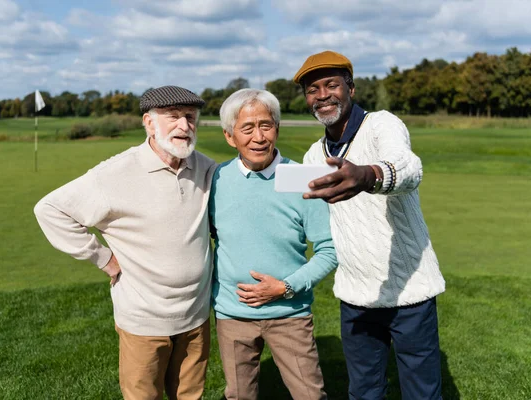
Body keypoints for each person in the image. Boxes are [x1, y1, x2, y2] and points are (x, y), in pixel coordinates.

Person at [34, 86, 216, 400]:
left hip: (196, 315)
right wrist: (102, 257)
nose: (184, 126)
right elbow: (50, 209)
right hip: (142, 318)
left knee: (190, 396)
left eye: (190, 117)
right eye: (173, 117)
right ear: (149, 123)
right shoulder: (115, 173)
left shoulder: (207, 168)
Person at [294, 51, 446, 400]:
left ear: (350, 87)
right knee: (363, 392)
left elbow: (408, 169)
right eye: (312, 89)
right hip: (356, 295)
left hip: (410, 291)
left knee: (422, 393)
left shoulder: (381, 124)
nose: (322, 95)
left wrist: (367, 175)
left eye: (331, 85)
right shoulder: (313, 157)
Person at [209, 89, 338, 400]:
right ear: (230, 136)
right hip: (232, 314)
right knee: (240, 396)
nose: (259, 137)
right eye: (247, 128)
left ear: (277, 129)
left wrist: (286, 287)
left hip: (289, 313)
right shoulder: (216, 179)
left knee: (310, 395)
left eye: (266, 125)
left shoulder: (302, 178)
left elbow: (330, 250)